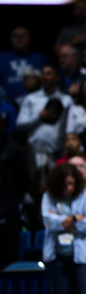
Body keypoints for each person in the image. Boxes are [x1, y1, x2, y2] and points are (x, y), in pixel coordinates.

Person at [41, 164, 86, 294]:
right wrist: (75, 218)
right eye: (64, 184)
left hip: (81, 258)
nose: (68, 188)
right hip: (56, 257)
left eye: (71, 184)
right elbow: (48, 223)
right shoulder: (49, 196)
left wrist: (59, 219)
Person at [16, 64, 73, 156]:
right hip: (34, 151)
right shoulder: (31, 98)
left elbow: (70, 127)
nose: (45, 77)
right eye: (43, 74)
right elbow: (19, 125)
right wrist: (39, 117)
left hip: (58, 151)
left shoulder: (66, 100)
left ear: (57, 77)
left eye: (49, 74)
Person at [0, 114, 30, 269]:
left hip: (9, 213)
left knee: (9, 258)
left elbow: (23, 181)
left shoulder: (14, 149)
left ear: (3, 126)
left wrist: (11, 203)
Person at [0, 27, 48, 101]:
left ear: (30, 39)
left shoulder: (39, 58)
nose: (19, 38)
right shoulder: (1, 58)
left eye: (23, 36)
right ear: (11, 39)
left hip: (37, 102)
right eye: (16, 36)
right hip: (6, 105)